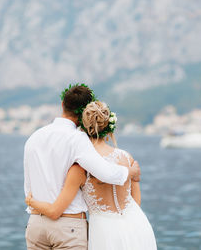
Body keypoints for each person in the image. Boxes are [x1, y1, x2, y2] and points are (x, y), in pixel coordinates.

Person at [26, 101, 157, 250]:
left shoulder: (80, 168)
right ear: (109, 127)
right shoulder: (127, 158)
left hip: (104, 232)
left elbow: (56, 209)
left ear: (83, 127)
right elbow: (135, 201)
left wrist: (31, 201)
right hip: (137, 226)